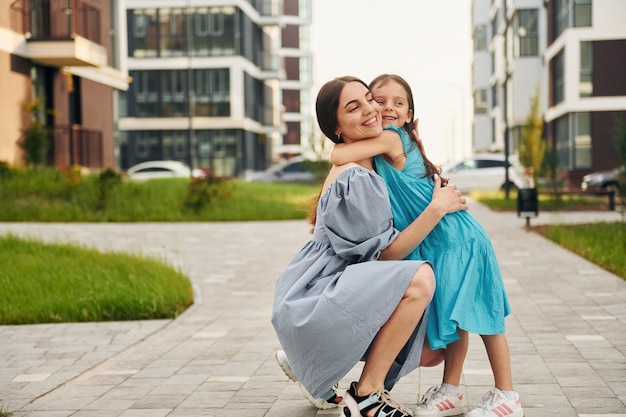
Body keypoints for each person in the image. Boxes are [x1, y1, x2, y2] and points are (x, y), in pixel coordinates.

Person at [271, 76, 468, 417]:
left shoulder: (369, 161)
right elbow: (387, 254)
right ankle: (367, 395)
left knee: (431, 351)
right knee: (420, 279)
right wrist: (437, 208)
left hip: (325, 289)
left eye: (368, 99)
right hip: (317, 297)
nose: (371, 110)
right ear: (337, 128)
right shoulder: (353, 176)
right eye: (354, 107)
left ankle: (311, 361)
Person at [330, 74, 523, 417]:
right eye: (379, 99)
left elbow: (339, 153)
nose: (386, 107)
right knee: (455, 318)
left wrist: (340, 139)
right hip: (439, 246)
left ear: (407, 116)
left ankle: (507, 395)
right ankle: (451, 391)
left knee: (485, 318)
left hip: (461, 241)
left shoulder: (391, 139)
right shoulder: (399, 144)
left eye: (397, 103)